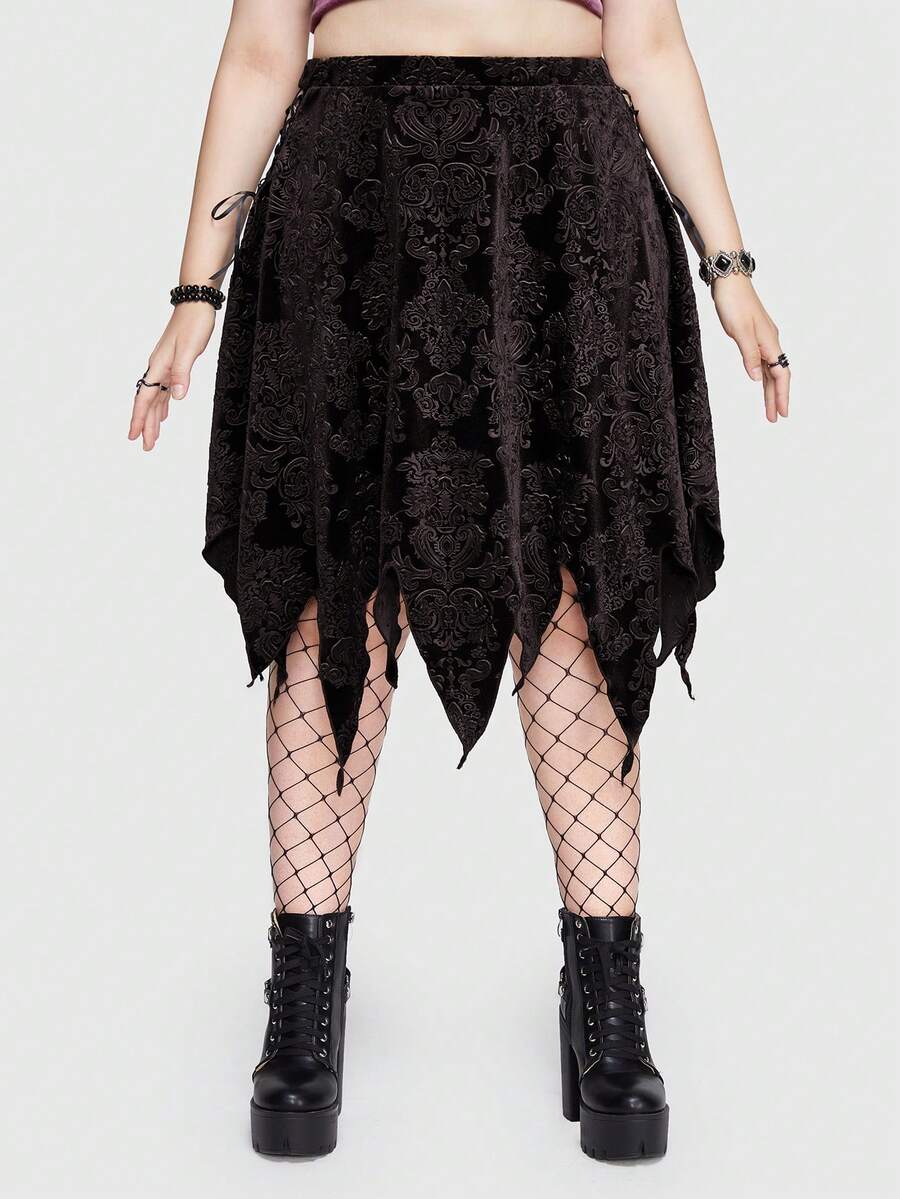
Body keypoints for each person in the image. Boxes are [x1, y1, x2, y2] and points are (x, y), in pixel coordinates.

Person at [128, 0, 790, 1163]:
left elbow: (646, 46)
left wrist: (729, 267)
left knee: (574, 581)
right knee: (336, 581)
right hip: (353, 189)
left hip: (565, 192)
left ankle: (607, 999)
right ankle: (304, 995)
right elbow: (262, 53)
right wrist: (194, 293)